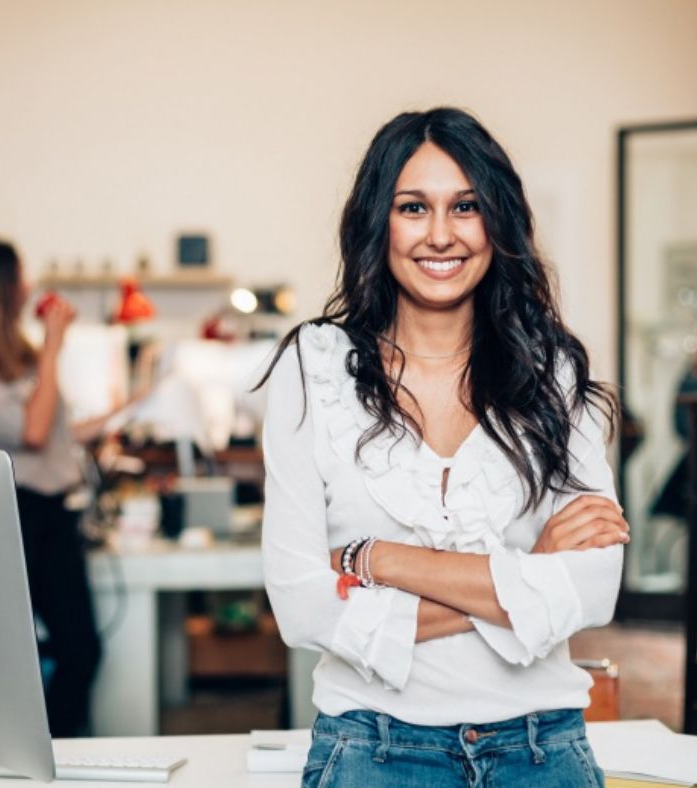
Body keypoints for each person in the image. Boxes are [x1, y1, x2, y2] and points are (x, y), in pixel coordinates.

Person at [260, 108, 628, 787]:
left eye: (465, 206)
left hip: (542, 748)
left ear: (497, 221)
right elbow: (302, 606)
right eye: (413, 207)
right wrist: (526, 573)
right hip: (371, 749)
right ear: (380, 221)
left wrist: (381, 560)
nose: (440, 234)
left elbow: (596, 586)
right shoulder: (313, 368)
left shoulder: (552, 370)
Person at [0, 237, 108, 738]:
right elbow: (31, 433)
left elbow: (53, 432)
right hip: (9, 513)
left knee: (81, 649)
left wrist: (125, 408)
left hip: (51, 512)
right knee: (17, 654)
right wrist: (54, 346)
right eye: (18, 277)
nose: (28, 286)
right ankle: (32, 752)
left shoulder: (18, 354)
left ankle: (51, 751)